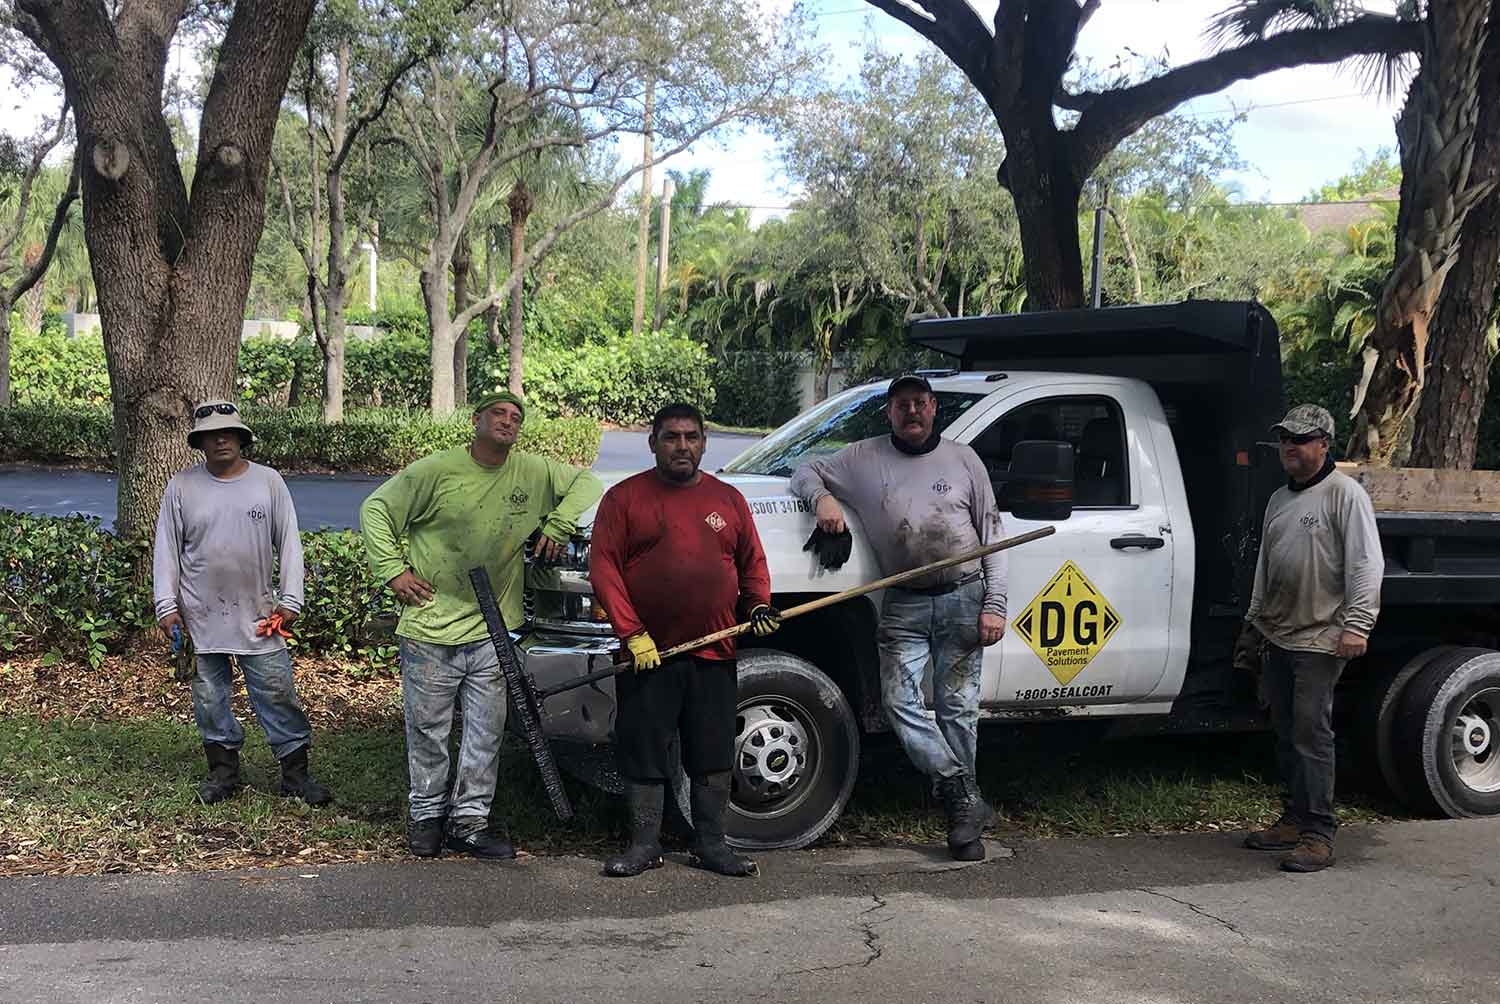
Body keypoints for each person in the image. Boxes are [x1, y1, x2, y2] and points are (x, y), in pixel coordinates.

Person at [360, 390, 602, 860]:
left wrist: (556, 524)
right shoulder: (436, 470)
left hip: (494, 631)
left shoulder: (533, 471)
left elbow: (587, 484)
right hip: (431, 627)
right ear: (476, 420)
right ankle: (427, 817)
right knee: (428, 729)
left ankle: (469, 822)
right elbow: (376, 509)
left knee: (485, 731)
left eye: (516, 417)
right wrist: (393, 570)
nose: (507, 421)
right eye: (498, 413)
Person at [790, 374, 1007, 861]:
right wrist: (822, 499)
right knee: (897, 703)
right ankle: (961, 793)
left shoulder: (963, 459)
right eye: (901, 405)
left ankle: (963, 824)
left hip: (965, 596)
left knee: (958, 709)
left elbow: (993, 535)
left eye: (920, 404)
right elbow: (804, 469)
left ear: (933, 409)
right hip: (903, 602)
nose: (911, 412)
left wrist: (995, 605)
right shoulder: (860, 459)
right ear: (889, 412)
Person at [589, 402, 779, 878]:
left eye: (691, 437)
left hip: (715, 650)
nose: (682, 446)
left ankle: (711, 844)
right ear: (653, 443)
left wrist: (757, 605)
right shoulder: (624, 498)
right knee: (645, 747)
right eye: (671, 437)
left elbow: (752, 561)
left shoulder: (728, 499)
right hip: (648, 655)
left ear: (704, 443)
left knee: (712, 751)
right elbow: (604, 568)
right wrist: (632, 634)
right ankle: (644, 845)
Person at [152, 400, 332, 807]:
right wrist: (167, 605)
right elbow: (166, 548)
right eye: (211, 435)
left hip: (261, 615)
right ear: (199, 442)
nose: (220, 439)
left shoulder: (268, 482)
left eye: (228, 432)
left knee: (276, 691)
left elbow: (289, 543)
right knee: (210, 695)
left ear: (241, 438)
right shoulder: (181, 486)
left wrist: (290, 602)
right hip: (199, 617)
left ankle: (295, 775)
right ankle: (222, 772)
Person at [1240, 404, 1382, 873]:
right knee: (1284, 729)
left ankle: (1318, 833)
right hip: (1279, 631)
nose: (1290, 448)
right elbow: (1266, 563)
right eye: (1285, 439)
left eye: (1300, 440)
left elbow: (1365, 562)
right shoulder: (1279, 499)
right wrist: (1254, 619)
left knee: (1309, 732)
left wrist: (1357, 624)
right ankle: (1292, 819)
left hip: (1321, 635)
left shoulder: (1344, 495)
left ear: (1325, 444)